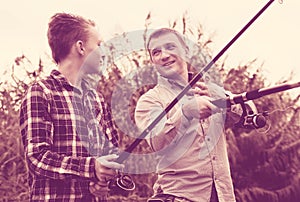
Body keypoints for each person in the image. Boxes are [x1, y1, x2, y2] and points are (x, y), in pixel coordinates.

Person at [19, 13, 123, 201]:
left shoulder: (96, 99)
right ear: (81, 47)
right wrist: (92, 168)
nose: (104, 51)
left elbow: (113, 155)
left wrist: (106, 180)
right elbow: (37, 158)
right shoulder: (41, 92)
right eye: (99, 44)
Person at [135, 28, 245, 202]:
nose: (164, 55)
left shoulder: (211, 90)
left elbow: (250, 118)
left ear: (186, 51)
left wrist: (225, 99)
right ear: (152, 61)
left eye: (170, 47)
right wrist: (185, 113)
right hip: (177, 197)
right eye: (156, 52)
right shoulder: (149, 101)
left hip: (224, 196)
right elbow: (157, 142)